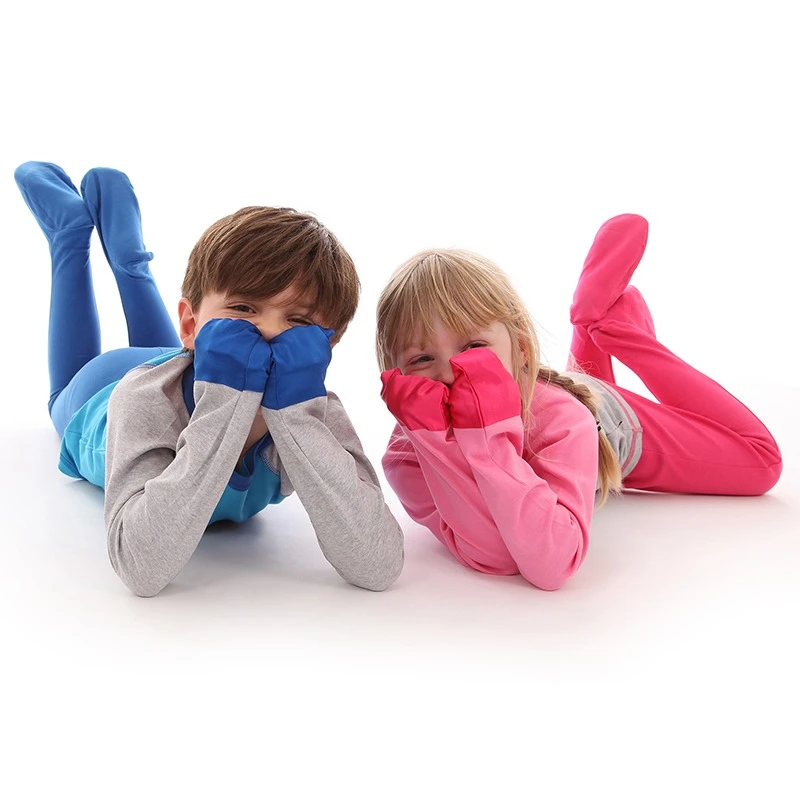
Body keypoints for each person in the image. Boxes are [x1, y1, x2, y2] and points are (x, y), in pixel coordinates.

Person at [15, 160, 403, 597]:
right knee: (59, 397)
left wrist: (295, 414)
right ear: (190, 325)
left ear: (327, 346)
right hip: (102, 389)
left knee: (193, 346)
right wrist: (230, 399)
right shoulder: (144, 401)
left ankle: (130, 260)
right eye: (243, 309)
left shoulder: (317, 413)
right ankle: (69, 237)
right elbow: (140, 568)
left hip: (188, 363)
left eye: (297, 321)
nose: (267, 333)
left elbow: (379, 565)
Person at [376, 214, 782, 590]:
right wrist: (441, 443)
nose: (451, 374)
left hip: (611, 424)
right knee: (584, 384)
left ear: (521, 349)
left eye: (475, 347)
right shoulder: (406, 459)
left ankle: (612, 328)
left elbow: (553, 564)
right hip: (568, 395)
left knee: (762, 461)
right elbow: (496, 557)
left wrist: (485, 441)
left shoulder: (563, 422)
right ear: (395, 374)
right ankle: (592, 323)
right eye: (422, 359)